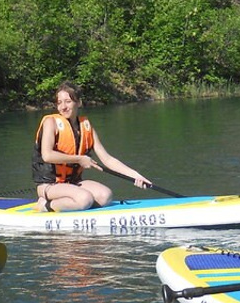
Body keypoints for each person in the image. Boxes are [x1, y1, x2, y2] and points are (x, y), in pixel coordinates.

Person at [32, 81, 152, 212]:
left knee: (105, 196)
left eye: (68, 101)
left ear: (79, 102)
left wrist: (135, 175)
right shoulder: (51, 122)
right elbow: (47, 155)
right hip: (49, 185)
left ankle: (72, 204)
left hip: (73, 183)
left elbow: (107, 159)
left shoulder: (86, 127)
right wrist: (79, 159)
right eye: (59, 102)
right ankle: (45, 205)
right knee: (85, 199)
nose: (63, 107)